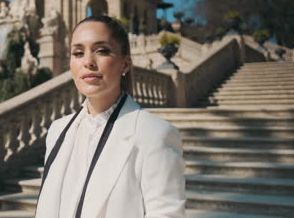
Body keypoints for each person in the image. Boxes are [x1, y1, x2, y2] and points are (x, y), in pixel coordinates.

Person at [35, 15, 185, 218]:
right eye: (78, 53)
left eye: (102, 51)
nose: (88, 62)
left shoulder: (155, 134)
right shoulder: (57, 131)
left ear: (125, 64)